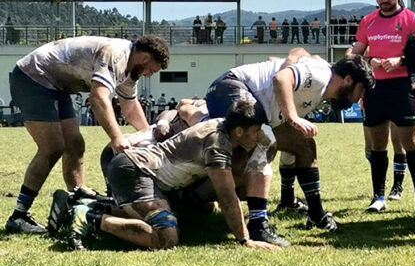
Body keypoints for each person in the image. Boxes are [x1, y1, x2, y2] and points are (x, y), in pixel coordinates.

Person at [5, 35, 170, 234]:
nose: (150, 75)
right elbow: (99, 98)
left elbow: (130, 108)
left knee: (75, 144)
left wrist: (148, 138)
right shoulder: (116, 54)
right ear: (144, 58)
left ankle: (77, 197)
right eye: (152, 69)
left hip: (57, 86)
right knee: (53, 146)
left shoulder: (129, 72)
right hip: (32, 77)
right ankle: (19, 215)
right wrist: (117, 138)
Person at [206, 52, 375, 244]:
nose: (359, 98)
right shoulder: (321, 75)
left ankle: (316, 214)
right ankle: (257, 224)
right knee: (262, 142)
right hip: (231, 86)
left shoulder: (322, 79)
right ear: (348, 80)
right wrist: (293, 117)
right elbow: (282, 78)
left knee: (304, 144)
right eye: (361, 90)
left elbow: (301, 53)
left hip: (252, 100)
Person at [66, 101, 281, 251]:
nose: (258, 136)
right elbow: (226, 195)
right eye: (255, 131)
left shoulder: (221, 129)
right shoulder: (217, 143)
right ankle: (89, 217)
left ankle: (89, 205)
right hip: (135, 170)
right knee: (165, 237)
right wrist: (245, 239)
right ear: (239, 132)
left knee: (174, 217)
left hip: (143, 172)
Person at [348, 0, 415, 215]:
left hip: (402, 87)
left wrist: (401, 60)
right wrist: (368, 60)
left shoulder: (412, 21)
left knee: (410, 143)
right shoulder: (368, 22)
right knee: (377, 144)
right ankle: (379, 197)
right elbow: (356, 53)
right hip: (375, 88)